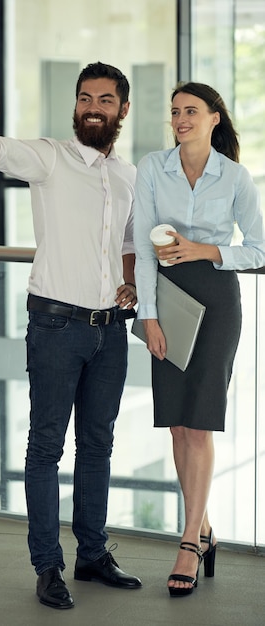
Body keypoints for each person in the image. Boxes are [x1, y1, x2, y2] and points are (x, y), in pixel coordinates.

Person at [0, 61, 142, 610]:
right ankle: (48, 567)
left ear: (123, 110)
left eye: (105, 100)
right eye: (86, 98)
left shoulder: (126, 176)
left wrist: (129, 283)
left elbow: (128, 242)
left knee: (98, 446)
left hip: (111, 329)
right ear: (76, 105)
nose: (94, 108)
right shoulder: (50, 157)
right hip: (57, 325)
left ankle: (92, 554)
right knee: (45, 448)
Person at [133, 81, 265, 597]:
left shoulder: (235, 177)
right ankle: (204, 527)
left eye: (191, 111)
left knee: (200, 421)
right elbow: (144, 248)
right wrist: (148, 318)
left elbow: (257, 249)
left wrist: (204, 250)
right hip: (166, 300)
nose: (181, 119)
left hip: (215, 301)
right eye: (174, 112)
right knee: (176, 425)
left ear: (214, 118)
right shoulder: (152, 168)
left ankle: (188, 542)